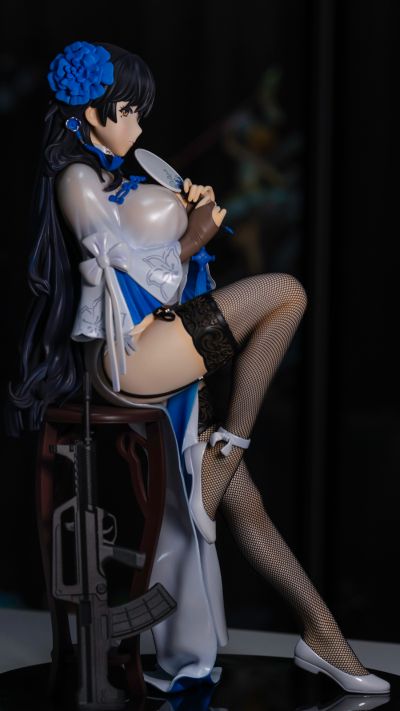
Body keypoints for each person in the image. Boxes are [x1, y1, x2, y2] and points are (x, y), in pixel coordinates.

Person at [7, 41, 390, 695]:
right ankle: (230, 444)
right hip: (129, 357)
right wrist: (192, 238)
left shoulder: (116, 177)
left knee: (246, 503)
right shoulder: (77, 181)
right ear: (91, 114)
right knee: (285, 293)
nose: (138, 124)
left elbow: (155, 275)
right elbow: (112, 278)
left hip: (161, 346)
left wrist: (186, 222)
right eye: (128, 111)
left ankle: (324, 637)